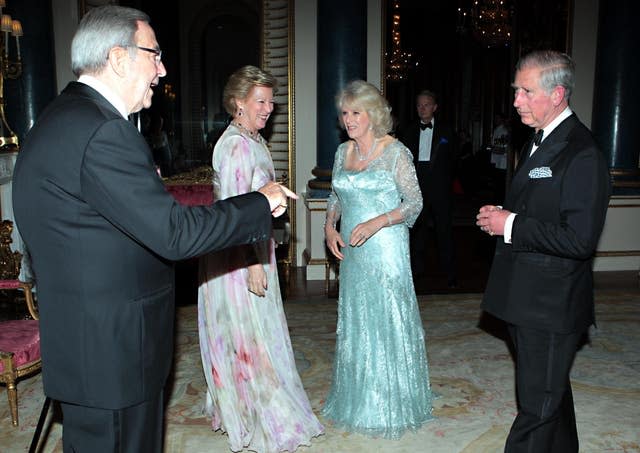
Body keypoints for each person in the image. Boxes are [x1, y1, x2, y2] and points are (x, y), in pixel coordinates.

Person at [11, 7, 296, 452]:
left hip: (85, 342)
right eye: (155, 55)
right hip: (115, 353)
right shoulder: (104, 131)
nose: (162, 71)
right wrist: (261, 202)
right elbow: (175, 233)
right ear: (120, 58)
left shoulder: (58, 117)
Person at [476, 50, 610, 452]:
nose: (516, 99)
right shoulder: (541, 140)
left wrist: (511, 225)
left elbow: (579, 239)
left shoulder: (582, 153)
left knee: (537, 409)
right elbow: (543, 205)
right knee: (550, 393)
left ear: (557, 94)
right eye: (517, 89)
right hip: (527, 296)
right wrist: (507, 214)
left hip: (551, 304)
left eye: (525, 91)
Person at [197, 65, 324, 452]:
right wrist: (252, 263)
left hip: (251, 250)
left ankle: (246, 404)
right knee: (248, 335)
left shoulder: (252, 139)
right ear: (238, 103)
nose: (269, 108)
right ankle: (257, 411)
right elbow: (235, 213)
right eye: (261, 101)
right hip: (238, 258)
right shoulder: (235, 145)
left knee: (256, 333)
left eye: (271, 101)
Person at [323, 80, 434, 438]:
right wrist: (329, 226)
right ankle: (359, 395)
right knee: (357, 317)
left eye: (356, 112)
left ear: (373, 115)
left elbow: (414, 202)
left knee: (386, 318)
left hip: (386, 248)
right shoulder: (343, 153)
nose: (349, 119)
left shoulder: (395, 152)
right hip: (353, 251)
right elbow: (336, 195)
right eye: (345, 113)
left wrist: (377, 221)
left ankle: (392, 400)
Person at [397, 90, 457, 288]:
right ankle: (416, 272)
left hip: (440, 186)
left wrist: (447, 184)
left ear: (435, 107)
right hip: (416, 184)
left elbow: (453, 161)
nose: (422, 109)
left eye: (426, 104)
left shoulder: (447, 131)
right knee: (417, 230)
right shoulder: (409, 130)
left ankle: (450, 274)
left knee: (444, 230)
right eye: (419, 105)